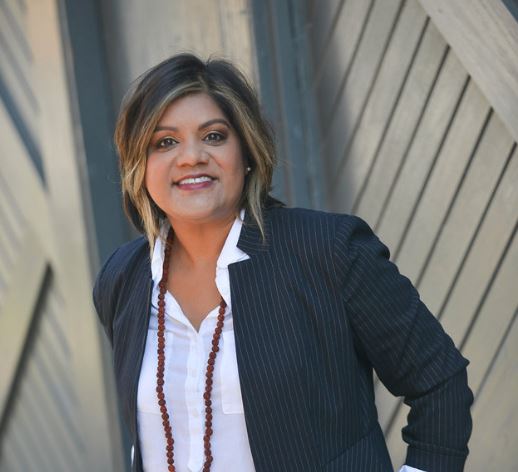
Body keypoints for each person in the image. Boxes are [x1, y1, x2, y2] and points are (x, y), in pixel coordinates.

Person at [92, 53, 473, 472]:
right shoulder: (123, 278)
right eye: (165, 142)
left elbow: (439, 384)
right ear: (139, 165)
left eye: (214, 136)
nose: (191, 157)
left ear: (247, 151)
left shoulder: (329, 251)